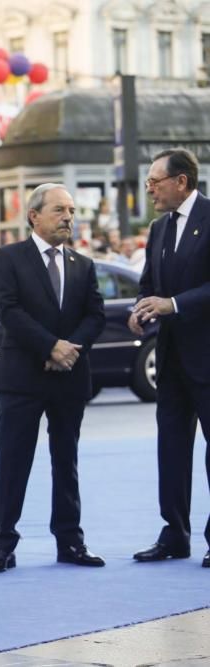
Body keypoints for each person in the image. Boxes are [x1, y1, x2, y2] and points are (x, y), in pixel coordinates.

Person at [0, 183, 106, 574]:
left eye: (71, 210)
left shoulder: (83, 265)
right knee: (13, 461)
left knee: (65, 460)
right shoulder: (8, 258)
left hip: (69, 376)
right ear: (34, 215)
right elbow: (8, 310)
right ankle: (3, 545)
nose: (68, 217)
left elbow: (95, 315)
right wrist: (50, 347)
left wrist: (69, 350)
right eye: (59, 210)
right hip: (23, 376)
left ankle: (71, 541)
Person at [130, 148, 210, 569]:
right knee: (171, 449)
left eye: (155, 181)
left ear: (181, 181)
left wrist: (173, 304)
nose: (149, 188)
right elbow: (148, 285)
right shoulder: (159, 229)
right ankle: (175, 534)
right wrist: (141, 307)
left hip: (207, 358)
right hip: (171, 360)